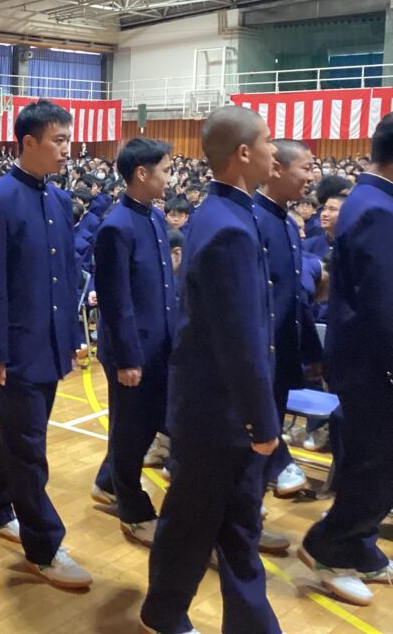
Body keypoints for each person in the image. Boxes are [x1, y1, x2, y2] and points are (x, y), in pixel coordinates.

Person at [140, 106, 281, 634]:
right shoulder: (230, 227)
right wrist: (261, 421)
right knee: (195, 522)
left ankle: (237, 622)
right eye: (268, 142)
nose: (274, 151)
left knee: (232, 528)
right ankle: (162, 613)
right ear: (243, 152)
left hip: (214, 407)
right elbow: (240, 340)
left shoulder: (220, 213)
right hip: (219, 413)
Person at [0, 101, 90, 589]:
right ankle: (43, 546)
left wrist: (74, 336)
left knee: (20, 436)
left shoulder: (59, 199)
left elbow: (67, 277)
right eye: (59, 140)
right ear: (28, 142)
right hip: (16, 348)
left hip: (52, 343)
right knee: (29, 449)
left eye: (68, 140)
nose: (67, 150)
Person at [299, 113, 393, 607]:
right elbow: (382, 301)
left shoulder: (371, 199)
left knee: (374, 461)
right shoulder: (377, 207)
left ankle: (359, 544)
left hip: (365, 357)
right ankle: (330, 546)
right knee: (375, 464)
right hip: (373, 361)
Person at [89, 138, 176, 549]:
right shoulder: (116, 226)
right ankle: (133, 509)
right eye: (165, 170)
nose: (169, 178)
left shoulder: (154, 217)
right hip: (132, 351)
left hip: (158, 344)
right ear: (141, 173)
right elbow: (116, 300)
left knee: (145, 424)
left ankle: (108, 482)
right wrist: (127, 358)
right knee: (131, 430)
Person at [253, 140, 323, 517]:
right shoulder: (253, 220)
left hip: (281, 350)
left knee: (268, 433)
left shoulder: (287, 222)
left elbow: (295, 297)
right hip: (257, 355)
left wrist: (310, 351)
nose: (311, 177)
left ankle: (251, 512)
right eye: (305, 168)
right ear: (276, 168)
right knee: (253, 439)